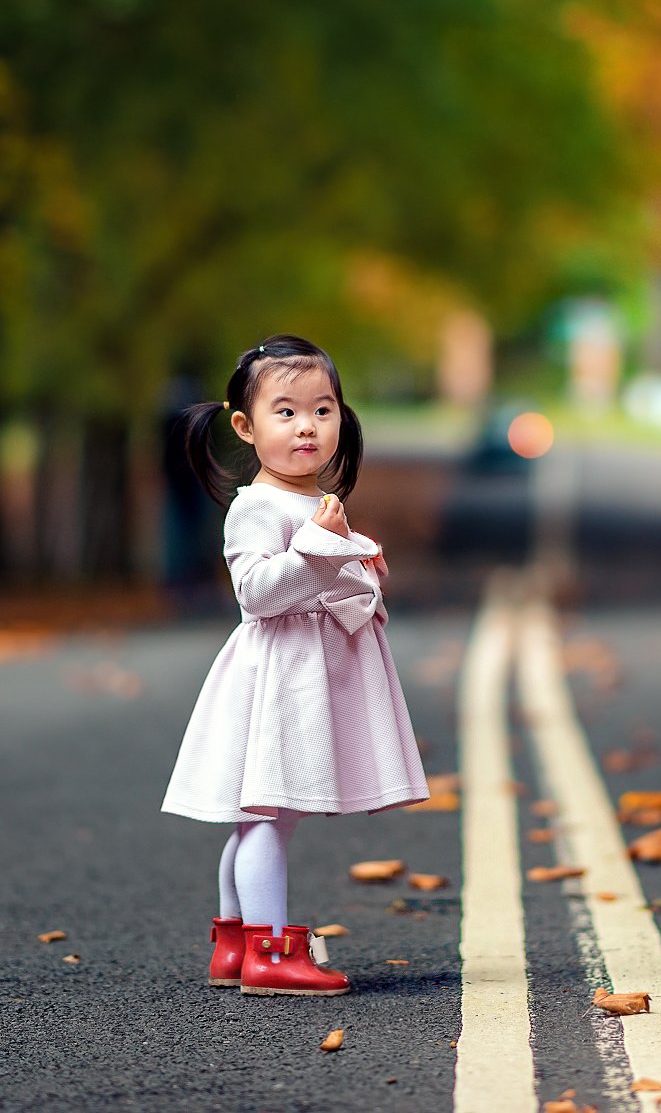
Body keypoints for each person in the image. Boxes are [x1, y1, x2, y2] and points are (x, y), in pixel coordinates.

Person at [162, 335, 429, 996]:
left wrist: (356, 564)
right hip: (281, 676)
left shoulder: (314, 503)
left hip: (309, 675)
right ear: (246, 427)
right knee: (267, 817)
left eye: (323, 409)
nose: (307, 425)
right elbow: (256, 592)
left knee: (265, 817)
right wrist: (322, 551)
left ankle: (235, 941)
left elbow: (321, 577)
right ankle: (271, 951)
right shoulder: (256, 505)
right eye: (286, 412)